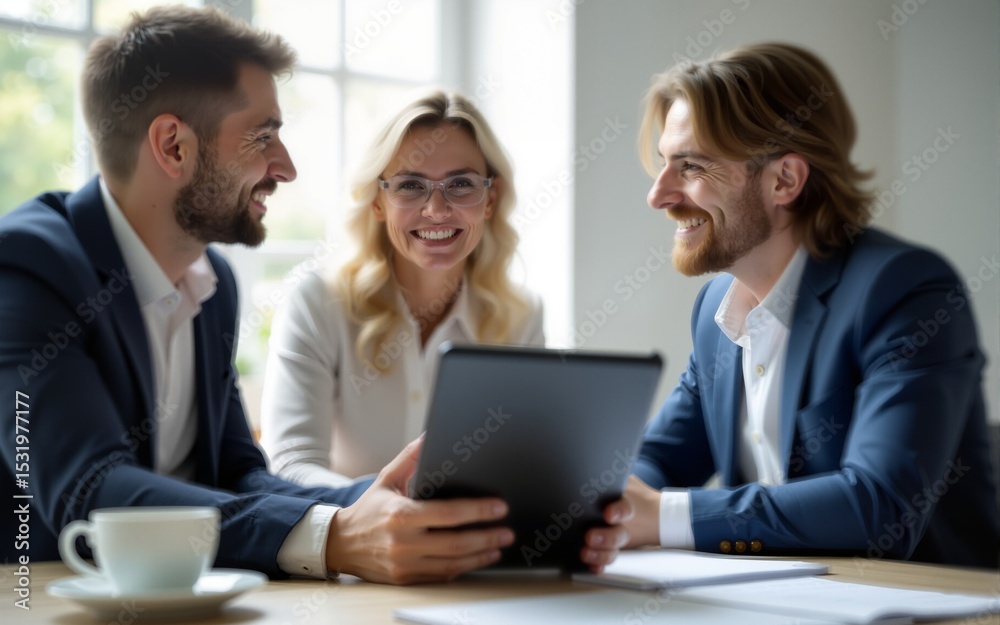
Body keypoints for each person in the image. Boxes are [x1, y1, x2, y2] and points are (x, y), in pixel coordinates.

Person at [0, 6, 627, 584]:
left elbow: (241, 475)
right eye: (262, 136)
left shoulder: (208, 289)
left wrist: (385, 510)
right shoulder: (25, 267)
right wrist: (331, 537)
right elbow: (89, 487)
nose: (286, 166)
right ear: (173, 146)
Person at [623, 42, 1000, 568]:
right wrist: (595, 507)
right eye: (664, 164)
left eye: (690, 167)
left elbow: (879, 507)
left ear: (784, 180)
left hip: (928, 606)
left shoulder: (904, 289)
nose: (658, 195)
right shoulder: (716, 309)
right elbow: (658, 461)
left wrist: (662, 517)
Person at [260, 91, 543, 486]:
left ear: (490, 199)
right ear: (378, 202)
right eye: (411, 185)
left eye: (461, 183)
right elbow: (290, 466)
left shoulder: (521, 316)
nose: (437, 210)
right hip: (353, 542)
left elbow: (524, 468)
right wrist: (393, 510)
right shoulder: (319, 304)